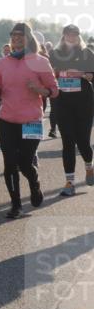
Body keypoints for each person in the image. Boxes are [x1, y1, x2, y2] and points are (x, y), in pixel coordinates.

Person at [0, 22, 59, 218]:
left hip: (32, 121)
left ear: (28, 38)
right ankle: (16, 204)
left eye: (20, 35)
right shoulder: (3, 62)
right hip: (7, 120)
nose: (16, 38)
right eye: (13, 35)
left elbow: (54, 91)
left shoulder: (40, 61)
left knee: (25, 163)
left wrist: (40, 90)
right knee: (10, 163)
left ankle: (34, 181)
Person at [47, 24, 94, 195]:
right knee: (67, 142)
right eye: (68, 34)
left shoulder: (86, 53)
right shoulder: (55, 53)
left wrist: (85, 74)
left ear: (79, 36)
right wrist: (55, 73)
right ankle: (69, 182)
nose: (71, 37)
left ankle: (89, 166)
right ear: (63, 35)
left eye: (75, 34)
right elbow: (48, 74)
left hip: (84, 103)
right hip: (63, 103)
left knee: (82, 141)